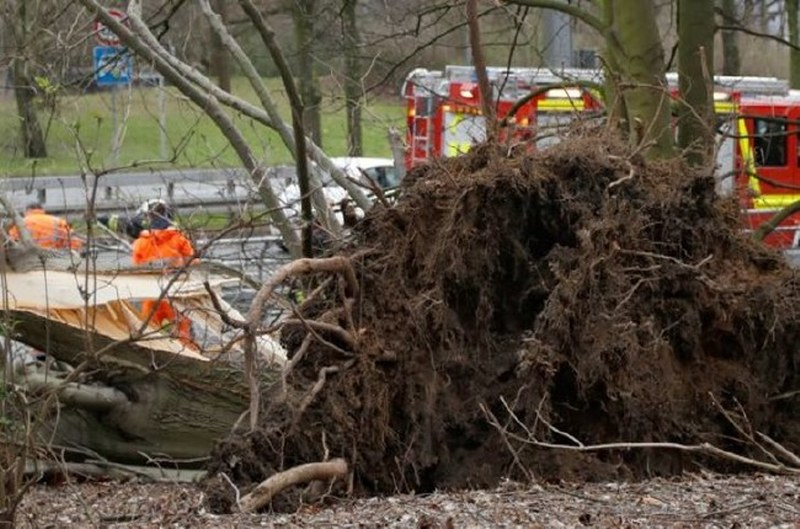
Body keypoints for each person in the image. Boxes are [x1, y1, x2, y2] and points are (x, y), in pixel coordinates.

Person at [130, 199, 197, 347]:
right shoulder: (179, 238)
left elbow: (136, 273)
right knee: (185, 338)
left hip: (151, 297)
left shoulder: (140, 243)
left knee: (149, 338)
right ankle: (191, 356)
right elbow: (193, 266)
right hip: (177, 296)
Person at [8, 202, 83, 250]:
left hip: (29, 257)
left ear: (26, 211)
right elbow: (74, 241)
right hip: (54, 256)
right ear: (42, 210)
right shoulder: (57, 221)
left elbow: (11, 242)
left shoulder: (20, 223)